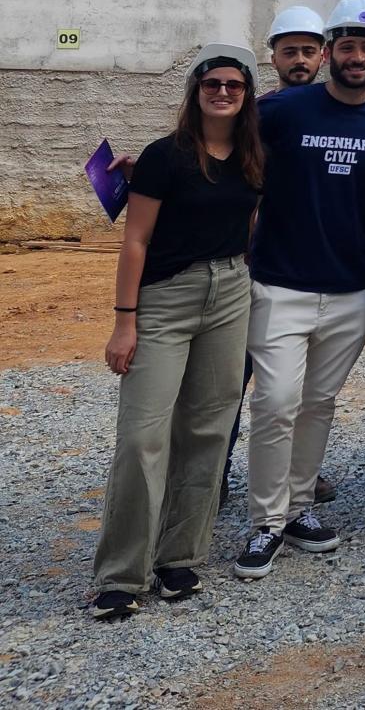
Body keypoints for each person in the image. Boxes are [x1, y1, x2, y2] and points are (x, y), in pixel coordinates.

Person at [233, 0, 365, 579]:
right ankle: (265, 522)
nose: (358, 58)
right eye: (348, 47)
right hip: (279, 285)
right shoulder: (284, 110)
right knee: (276, 401)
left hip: (349, 291)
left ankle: (300, 510)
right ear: (330, 51)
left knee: (317, 405)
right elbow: (221, 149)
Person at [90, 44, 264, 618]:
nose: (222, 93)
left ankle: (179, 558)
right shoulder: (164, 156)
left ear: (246, 96)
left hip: (231, 290)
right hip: (166, 297)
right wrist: (124, 321)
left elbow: (246, 221)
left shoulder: (251, 156)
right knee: (143, 435)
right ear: (195, 91)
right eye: (212, 84)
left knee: (209, 429)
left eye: (233, 86)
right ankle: (121, 574)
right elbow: (135, 239)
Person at [221, 4, 335, 509]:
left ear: (323, 56)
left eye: (309, 51)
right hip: (255, 265)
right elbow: (218, 163)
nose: (300, 60)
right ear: (273, 56)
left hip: (312, 271)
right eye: (290, 51)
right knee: (234, 378)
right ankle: (214, 474)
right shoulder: (257, 113)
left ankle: (294, 475)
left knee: (300, 388)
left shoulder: (337, 111)